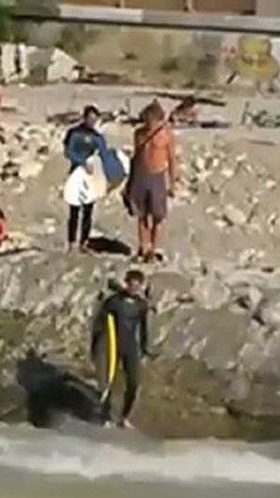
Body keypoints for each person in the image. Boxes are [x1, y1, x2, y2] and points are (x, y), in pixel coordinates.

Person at [90, 269, 154, 428]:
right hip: (111, 345)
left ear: (141, 286)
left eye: (137, 285)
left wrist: (145, 349)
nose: (134, 288)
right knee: (107, 383)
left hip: (130, 346)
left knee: (134, 383)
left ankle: (124, 417)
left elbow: (144, 329)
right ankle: (106, 417)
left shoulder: (141, 305)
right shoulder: (113, 302)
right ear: (126, 283)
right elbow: (98, 324)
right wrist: (95, 346)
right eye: (131, 284)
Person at [126, 100, 176, 262]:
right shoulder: (139, 133)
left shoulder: (166, 134)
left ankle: (153, 249)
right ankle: (143, 246)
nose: (149, 123)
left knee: (157, 216)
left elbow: (172, 159)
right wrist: (129, 182)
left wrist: (172, 183)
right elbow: (135, 157)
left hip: (157, 175)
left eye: (151, 119)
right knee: (141, 214)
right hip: (141, 175)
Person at [63, 105, 108, 252]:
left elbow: (104, 155)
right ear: (85, 118)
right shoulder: (74, 133)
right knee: (74, 210)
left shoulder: (98, 137)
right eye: (90, 119)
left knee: (88, 210)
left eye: (95, 120)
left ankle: (84, 242)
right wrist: (83, 162)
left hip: (91, 176)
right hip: (76, 173)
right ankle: (71, 242)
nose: (92, 122)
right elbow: (68, 152)